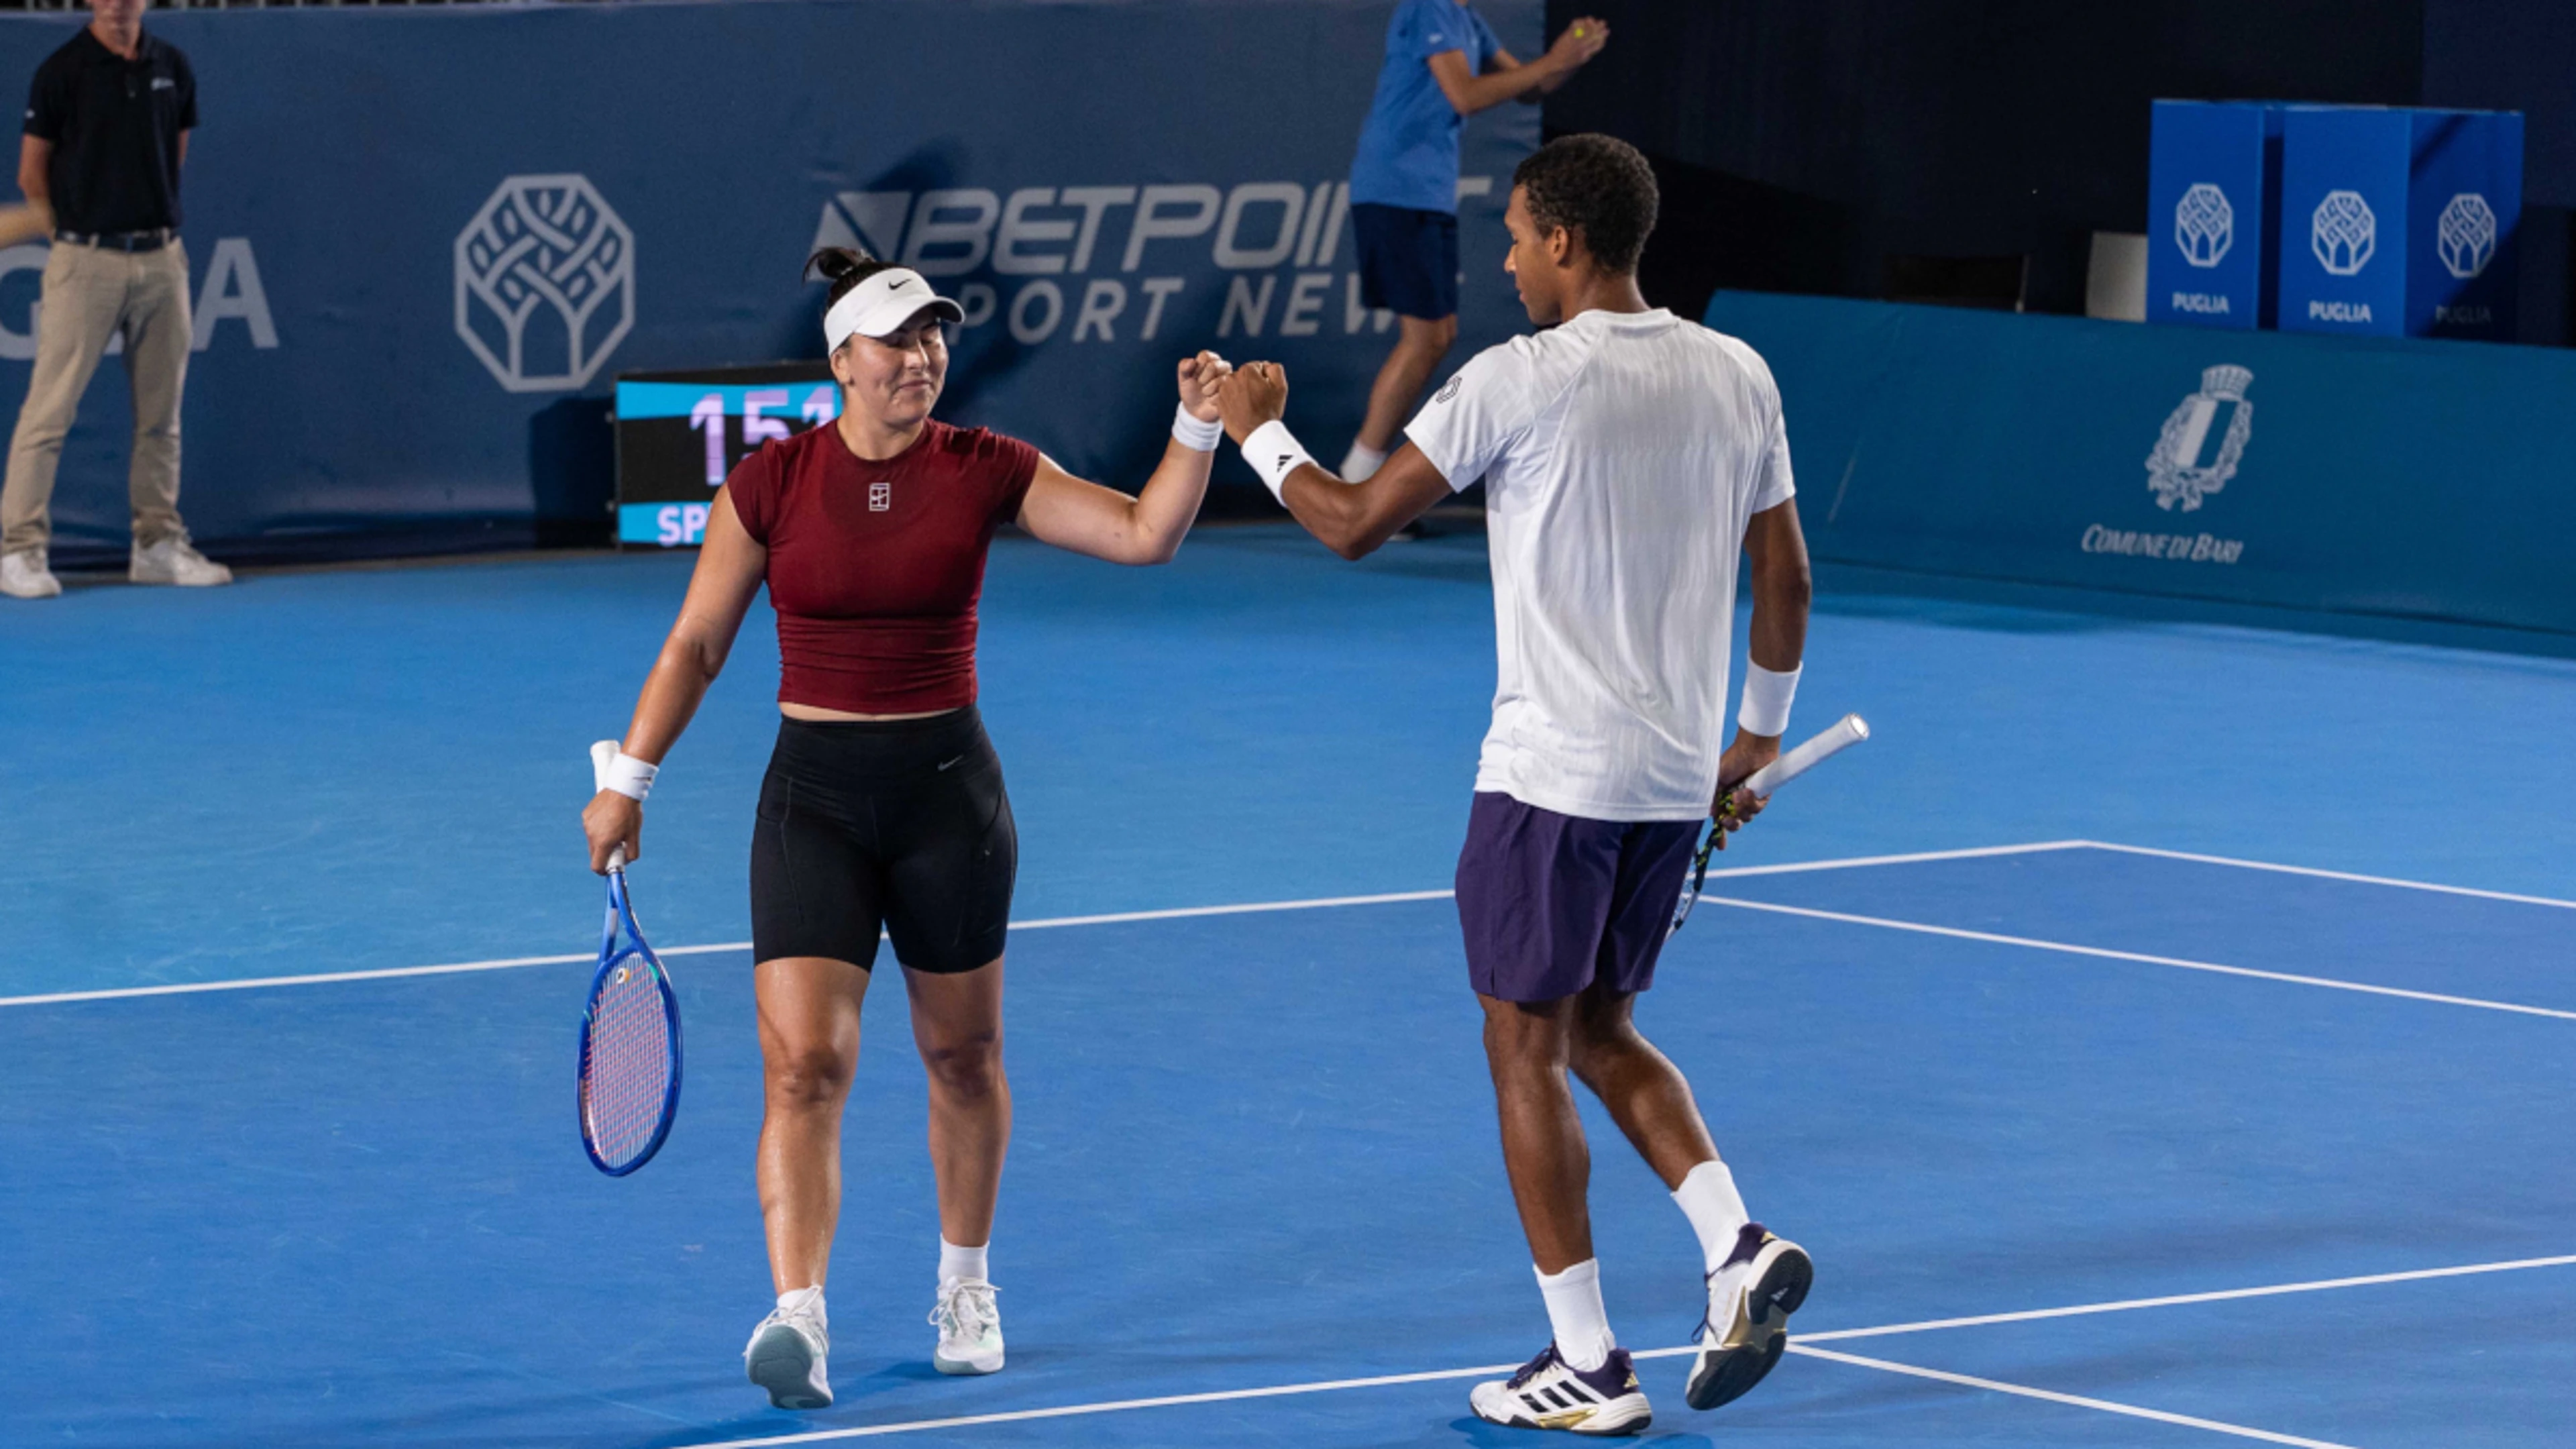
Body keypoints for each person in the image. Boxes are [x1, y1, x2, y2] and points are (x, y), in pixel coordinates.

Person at [1215, 133, 1816, 1434]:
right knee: (1599, 1032)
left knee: (1524, 1048)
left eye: (1512, 235)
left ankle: (1589, 1362)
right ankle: (1737, 1244)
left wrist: (1257, 436)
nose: (1502, 261)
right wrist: (1756, 740)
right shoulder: (1738, 373)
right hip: (1668, 782)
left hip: (1550, 781)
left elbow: (1352, 523)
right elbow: (1787, 577)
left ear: (1563, 242)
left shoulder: (1519, 379)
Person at [582, 247, 1229, 1410]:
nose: (922, 357)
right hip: (813, 804)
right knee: (804, 1066)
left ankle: (965, 1285)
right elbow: (698, 644)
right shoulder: (772, 483)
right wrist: (630, 780)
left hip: (948, 803)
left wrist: (1195, 426)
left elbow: (1146, 534)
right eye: (897, 339)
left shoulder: (986, 468)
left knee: (963, 1059)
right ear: (842, 360)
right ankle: (798, 1316)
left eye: (934, 336)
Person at [0, 0, 229, 601]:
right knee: (49, 413)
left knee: (161, 418)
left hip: (163, 262)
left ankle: (156, 545)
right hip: (85, 264)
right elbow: (31, 174)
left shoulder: (173, 66)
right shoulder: (60, 72)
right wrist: (77, 230)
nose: (117, 3)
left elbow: (171, 158)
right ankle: (19, 550)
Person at [1336, 3, 1606, 487]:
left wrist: (1569, 57)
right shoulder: (1429, 6)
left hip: (1426, 196)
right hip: (1396, 190)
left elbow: (1531, 87)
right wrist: (1552, 61)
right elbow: (1463, 95)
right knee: (1427, 338)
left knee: (1437, 337)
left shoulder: (1467, 20)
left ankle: (1363, 473)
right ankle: (1360, 479)